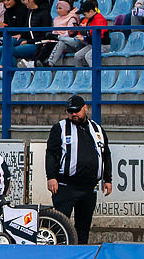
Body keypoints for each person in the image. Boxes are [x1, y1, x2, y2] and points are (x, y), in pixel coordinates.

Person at [43, 94, 112, 244]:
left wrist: (108, 179)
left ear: (85, 108)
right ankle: (59, 254)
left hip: (89, 187)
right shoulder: (60, 128)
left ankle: (81, 254)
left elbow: (105, 154)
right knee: (61, 225)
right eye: (70, 111)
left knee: (83, 227)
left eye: (76, 110)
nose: (73, 114)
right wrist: (51, 177)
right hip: (66, 186)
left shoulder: (97, 129)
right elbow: (51, 154)